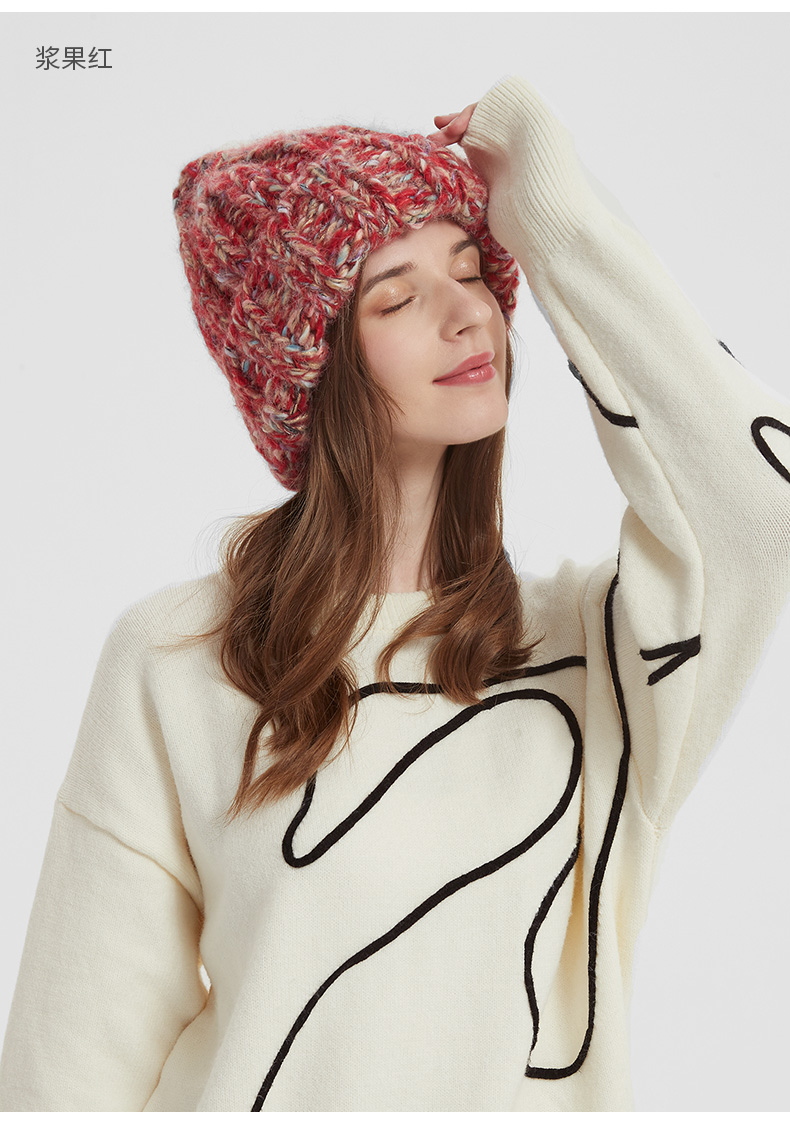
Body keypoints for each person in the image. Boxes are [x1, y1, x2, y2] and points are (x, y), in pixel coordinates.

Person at [1, 75, 788, 1113]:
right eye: (398, 297)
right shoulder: (179, 657)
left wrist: (551, 215)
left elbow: (757, 499)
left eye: (472, 269)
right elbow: (72, 1067)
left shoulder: (600, 655)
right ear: (314, 369)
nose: (468, 314)